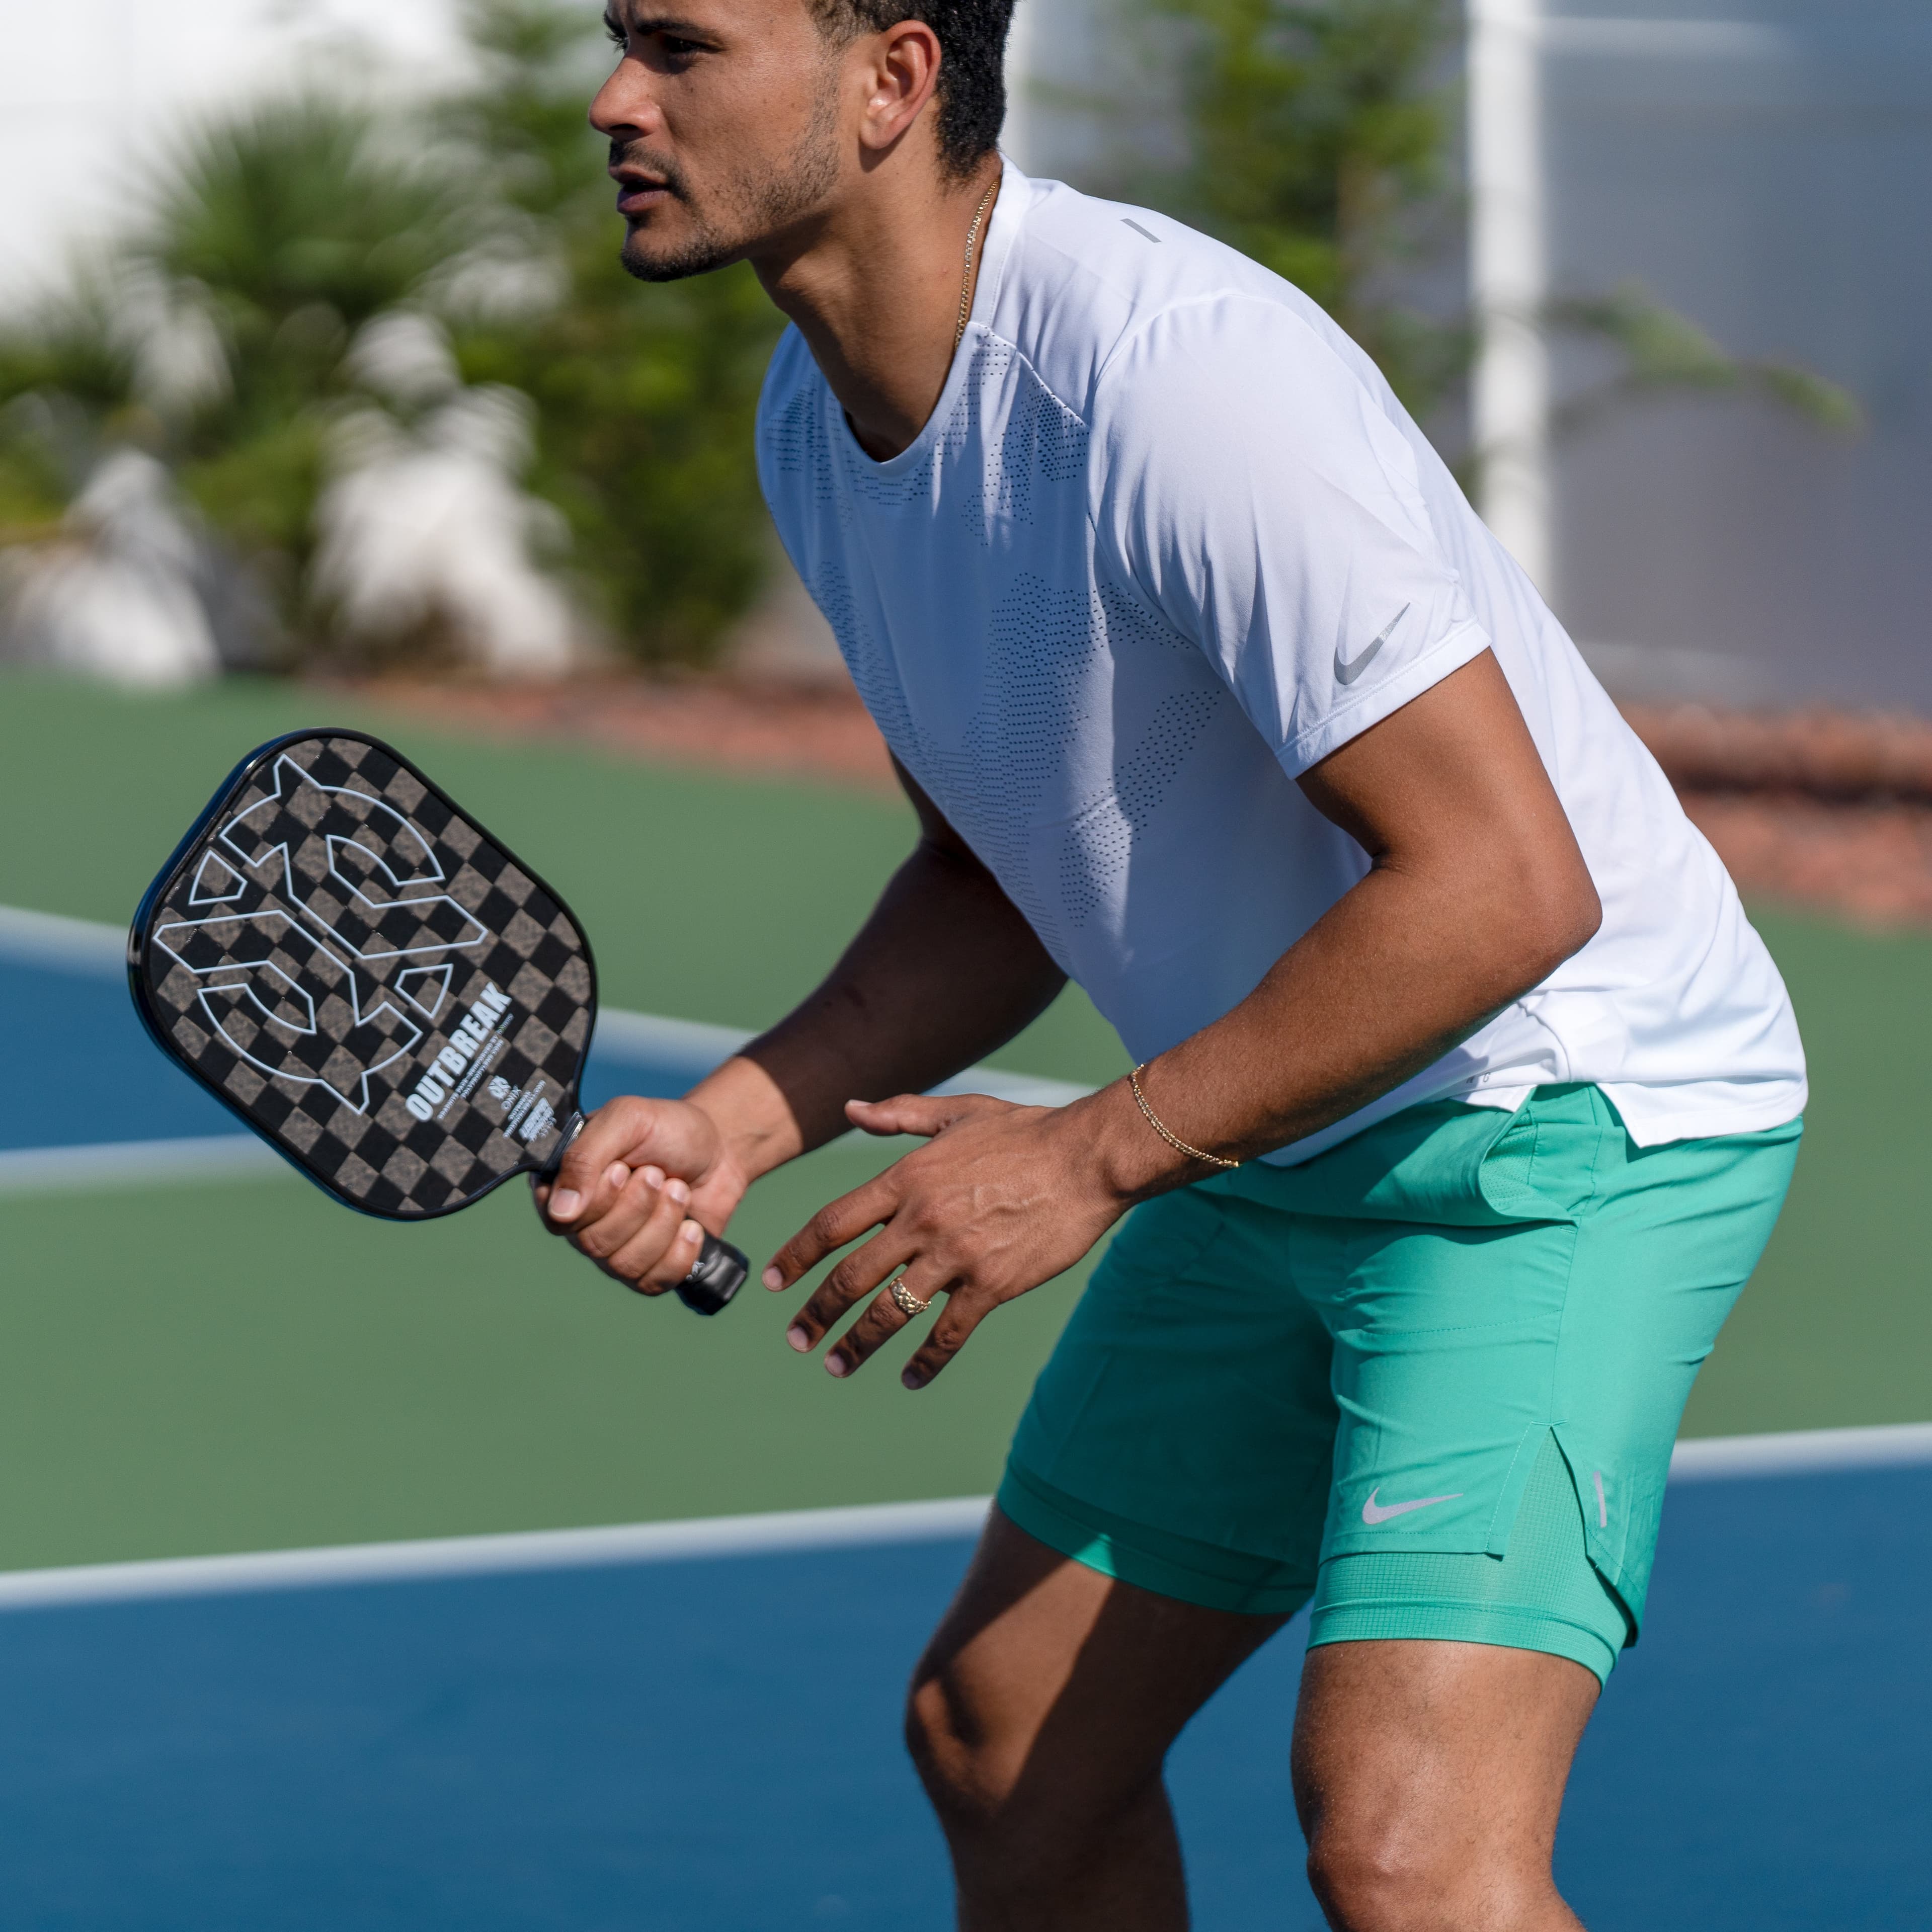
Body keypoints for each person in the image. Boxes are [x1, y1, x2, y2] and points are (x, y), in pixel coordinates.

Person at [537, 1, 1807, 1924]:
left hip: (1563, 1117)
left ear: (892, 81)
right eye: (622, 39)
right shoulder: (822, 420)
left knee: (1410, 1848)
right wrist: (737, 1118)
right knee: (1006, 1742)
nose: (617, 101)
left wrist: (1086, 1157)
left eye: (682, 46)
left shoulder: (1175, 377)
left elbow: (1502, 890)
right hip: (1284, 1113)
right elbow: (990, 869)